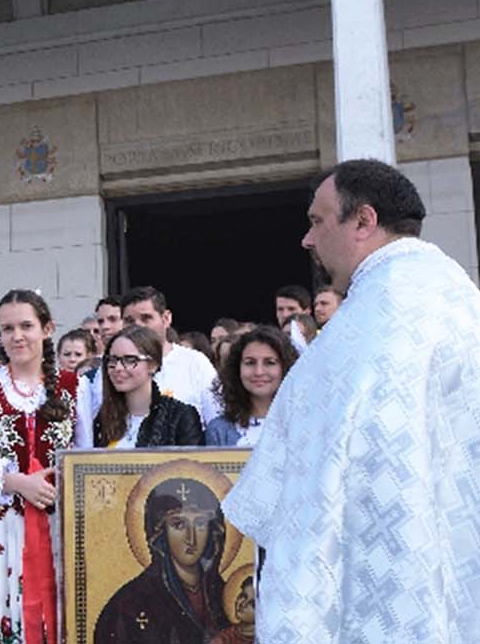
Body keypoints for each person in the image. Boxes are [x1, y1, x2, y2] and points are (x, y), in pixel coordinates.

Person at [225, 159, 480, 642]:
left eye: (317, 221)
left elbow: (303, 495)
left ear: (362, 221)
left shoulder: (363, 328)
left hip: (378, 591)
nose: (307, 239)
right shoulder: (459, 298)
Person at [0, 290, 78, 644]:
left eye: (26, 326)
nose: (17, 336)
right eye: (8, 328)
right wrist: (17, 482)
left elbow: (84, 460)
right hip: (1, 530)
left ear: (48, 329)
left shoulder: (76, 387)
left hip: (58, 527)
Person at [93, 478, 229, 642]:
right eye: (178, 525)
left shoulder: (230, 598)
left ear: (213, 531)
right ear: (159, 532)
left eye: (200, 523)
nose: (191, 538)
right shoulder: (129, 604)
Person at [120, 287, 219, 426]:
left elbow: (216, 424)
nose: (138, 327)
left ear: (166, 318)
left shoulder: (195, 363)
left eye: (146, 318)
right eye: (129, 321)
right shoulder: (113, 368)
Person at [93, 325, 204, 448]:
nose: (118, 368)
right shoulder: (104, 418)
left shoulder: (180, 416)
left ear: (153, 365)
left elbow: (190, 465)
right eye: (113, 360)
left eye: (130, 360)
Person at [204, 326, 297, 447]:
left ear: (286, 367)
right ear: (237, 369)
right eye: (250, 363)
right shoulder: (219, 430)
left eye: (270, 363)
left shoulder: (307, 426)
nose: (259, 372)